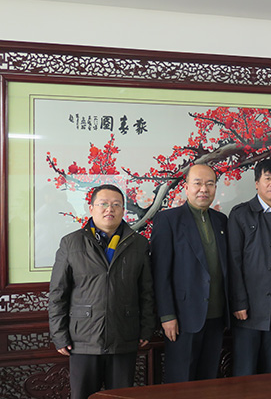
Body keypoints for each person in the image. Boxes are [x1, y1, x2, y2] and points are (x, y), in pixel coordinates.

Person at [48, 184, 154, 399]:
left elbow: (146, 292)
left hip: (124, 335)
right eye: (103, 204)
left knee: (121, 396)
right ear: (91, 208)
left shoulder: (138, 244)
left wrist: (146, 329)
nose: (109, 209)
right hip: (82, 339)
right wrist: (59, 335)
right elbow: (58, 294)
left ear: (123, 210)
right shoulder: (71, 243)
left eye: (116, 205)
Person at [151, 164, 229, 382]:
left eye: (210, 184)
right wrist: (167, 315)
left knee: (208, 379)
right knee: (181, 380)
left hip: (216, 317)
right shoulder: (168, 220)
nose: (204, 189)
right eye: (198, 183)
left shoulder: (221, 220)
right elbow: (160, 273)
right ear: (186, 188)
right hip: (182, 318)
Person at [228, 159, 271, 376]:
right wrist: (239, 302)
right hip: (249, 309)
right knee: (245, 371)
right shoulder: (240, 214)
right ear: (257, 183)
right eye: (267, 178)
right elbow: (234, 262)